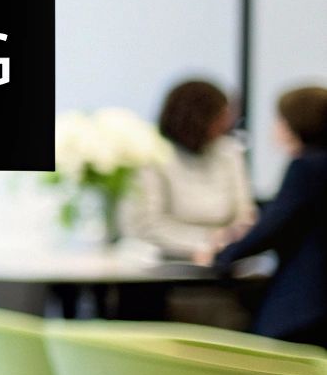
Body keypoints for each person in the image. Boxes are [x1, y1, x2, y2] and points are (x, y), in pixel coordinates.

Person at [205, 85, 327, 346]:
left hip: (306, 305)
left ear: (296, 122)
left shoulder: (306, 167)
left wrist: (222, 255)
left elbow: (273, 228)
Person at [124, 79, 256, 257]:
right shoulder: (152, 153)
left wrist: (229, 239)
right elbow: (147, 224)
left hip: (224, 257)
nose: (225, 125)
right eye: (219, 118)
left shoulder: (229, 151)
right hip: (166, 262)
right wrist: (208, 240)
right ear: (196, 119)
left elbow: (244, 215)